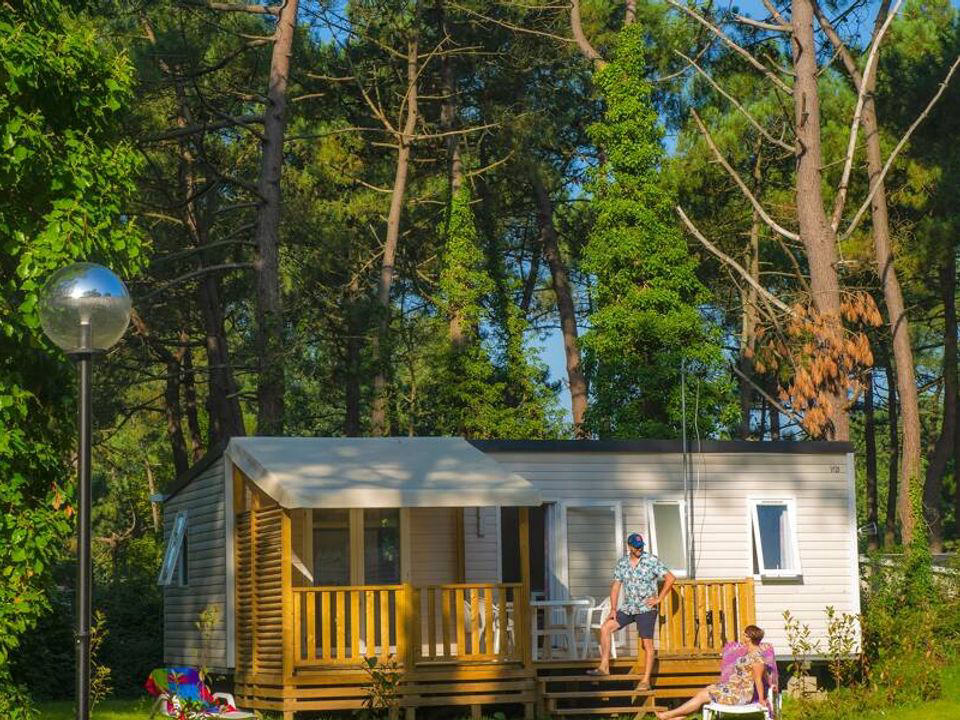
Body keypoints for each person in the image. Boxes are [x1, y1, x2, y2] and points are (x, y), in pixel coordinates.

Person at [587, 532, 675, 691]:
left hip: (646, 608)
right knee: (606, 627)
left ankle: (645, 681)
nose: (639, 549)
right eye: (636, 547)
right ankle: (604, 667)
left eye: (641, 546)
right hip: (629, 607)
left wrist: (659, 599)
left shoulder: (651, 560)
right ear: (629, 547)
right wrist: (613, 608)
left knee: (646, 643)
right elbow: (615, 586)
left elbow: (670, 578)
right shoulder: (622, 563)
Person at [654, 625, 771, 720]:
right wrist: (771, 682)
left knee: (702, 696)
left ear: (749, 638)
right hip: (732, 688)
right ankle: (676, 718)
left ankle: (668, 715)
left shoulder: (757, 658)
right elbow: (764, 674)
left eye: (745, 634)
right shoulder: (749, 653)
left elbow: (758, 679)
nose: (742, 636)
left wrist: (761, 699)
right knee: (704, 692)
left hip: (739, 695)